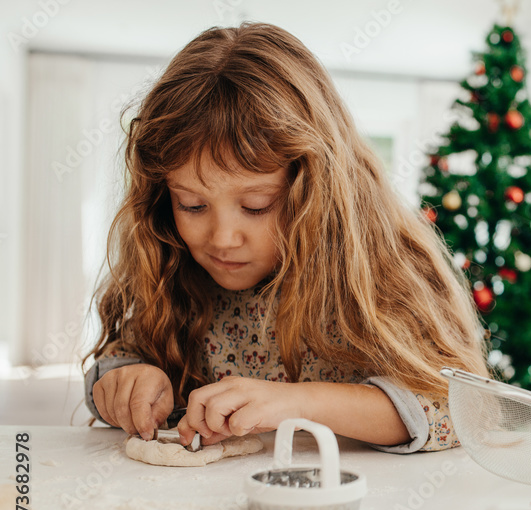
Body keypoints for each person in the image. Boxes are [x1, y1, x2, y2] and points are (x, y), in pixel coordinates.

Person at [84, 22, 490, 453]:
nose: (222, 239)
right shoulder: (170, 264)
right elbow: (119, 358)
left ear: (318, 189)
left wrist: (299, 402)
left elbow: (463, 410)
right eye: (192, 205)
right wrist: (125, 377)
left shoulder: (381, 267)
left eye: (258, 205)